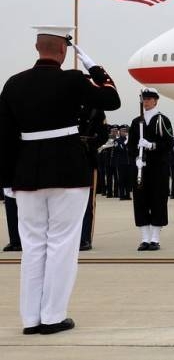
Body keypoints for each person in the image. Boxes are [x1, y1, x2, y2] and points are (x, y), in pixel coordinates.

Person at [0, 25, 120, 335]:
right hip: (67, 171)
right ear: (63, 51)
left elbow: (5, 136)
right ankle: (53, 316)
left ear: (36, 48)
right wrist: (96, 68)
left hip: (26, 174)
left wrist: (7, 179)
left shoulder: (13, 83)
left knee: (32, 247)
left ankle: (30, 318)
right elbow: (111, 99)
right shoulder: (73, 79)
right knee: (62, 245)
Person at [128, 88, 174, 251]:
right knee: (140, 201)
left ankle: (155, 238)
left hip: (158, 167)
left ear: (155, 101)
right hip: (141, 168)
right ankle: (145, 238)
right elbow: (131, 145)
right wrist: (136, 158)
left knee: (157, 200)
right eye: (144, 99)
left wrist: (152, 145)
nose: (146, 102)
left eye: (149, 99)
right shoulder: (136, 122)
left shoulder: (162, 120)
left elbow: (169, 143)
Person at [77, 104, 108, 251]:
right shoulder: (65, 104)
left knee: (88, 202)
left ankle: (85, 238)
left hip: (87, 159)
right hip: (66, 160)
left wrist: (88, 143)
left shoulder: (96, 110)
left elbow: (103, 136)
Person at [114, 125, 133, 200]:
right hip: (121, 163)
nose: (124, 132)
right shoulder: (117, 141)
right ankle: (122, 195)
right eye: (123, 131)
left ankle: (127, 195)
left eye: (125, 131)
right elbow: (121, 148)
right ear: (119, 132)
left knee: (128, 180)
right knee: (121, 180)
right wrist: (126, 143)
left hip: (128, 163)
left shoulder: (129, 140)